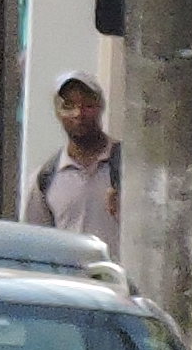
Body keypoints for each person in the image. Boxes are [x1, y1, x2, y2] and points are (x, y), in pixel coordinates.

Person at [29, 76, 122, 251]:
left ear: (100, 107)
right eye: (69, 106)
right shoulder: (45, 178)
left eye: (87, 105)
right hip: (72, 277)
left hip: (121, 276)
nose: (79, 114)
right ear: (58, 113)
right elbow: (35, 243)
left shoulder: (127, 165)